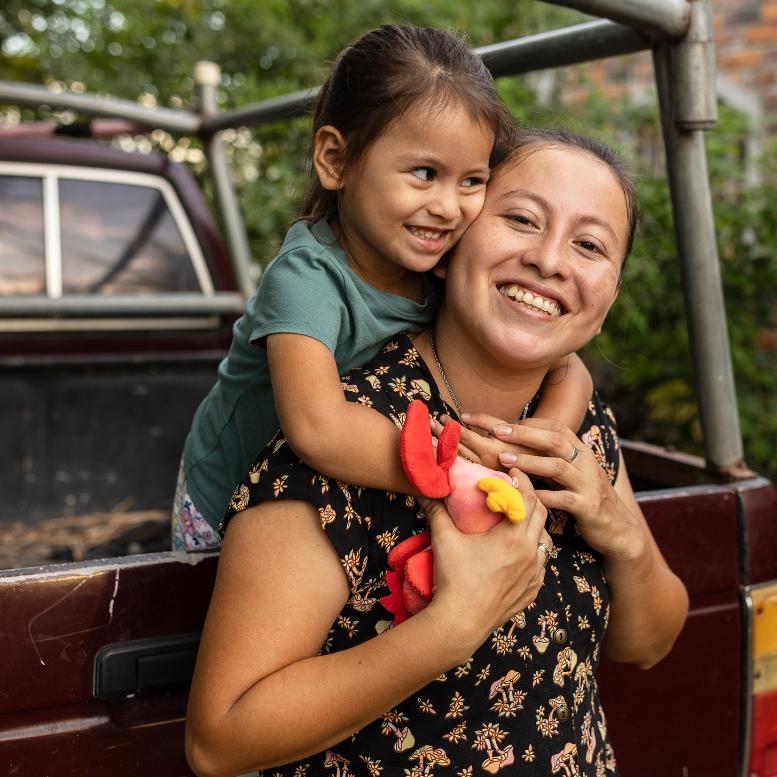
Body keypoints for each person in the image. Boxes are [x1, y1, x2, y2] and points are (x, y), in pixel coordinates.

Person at [184, 129, 689, 777]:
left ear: (607, 297)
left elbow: (647, 642)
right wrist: (451, 627)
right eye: (521, 220)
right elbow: (220, 738)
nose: (550, 260)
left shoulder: (578, 428)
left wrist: (622, 534)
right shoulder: (354, 437)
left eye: (589, 245)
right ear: (450, 246)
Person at [172, 25, 592, 550]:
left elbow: (568, 368)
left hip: (341, 494)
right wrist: (455, 470)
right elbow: (318, 427)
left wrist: (518, 457)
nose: (447, 206)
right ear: (335, 160)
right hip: (225, 500)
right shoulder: (307, 277)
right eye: (423, 172)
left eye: (471, 181)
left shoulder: (446, 263)